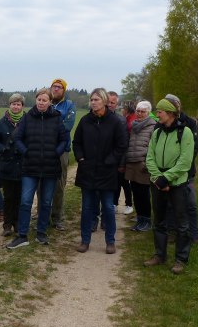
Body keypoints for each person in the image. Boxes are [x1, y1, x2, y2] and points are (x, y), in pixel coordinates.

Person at [7, 88, 70, 249]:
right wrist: (25, 152)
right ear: (36, 100)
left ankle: (41, 232)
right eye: (39, 100)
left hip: (50, 167)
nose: (41, 103)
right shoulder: (28, 118)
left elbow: (64, 140)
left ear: (50, 102)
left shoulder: (57, 118)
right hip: (30, 167)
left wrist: (56, 153)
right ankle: (22, 235)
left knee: (46, 202)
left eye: (45, 100)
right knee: (26, 201)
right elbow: (17, 138)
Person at [72, 88, 128, 254]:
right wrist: (81, 158)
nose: (93, 102)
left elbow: (122, 145)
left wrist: (110, 161)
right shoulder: (85, 121)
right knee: (87, 207)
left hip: (107, 172)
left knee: (109, 208)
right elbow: (76, 142)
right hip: (87, 171)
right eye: (92, 99)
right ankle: (85, 240)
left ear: (104, 101)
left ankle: (110, 241)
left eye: (96, 99)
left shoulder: (115, 122)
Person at [144, 97, 195, 275]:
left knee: (182, 223)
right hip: (158, 182)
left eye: (160, 111)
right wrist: (158, 178)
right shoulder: (157, 132)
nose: (157, 114)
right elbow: (149, 157)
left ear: (171, 113)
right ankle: (160, 255)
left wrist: (167, 178)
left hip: (177, 183)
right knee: (159, 220)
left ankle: (181, 259)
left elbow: (185, 161)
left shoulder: (185, 132)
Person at [164, 94, 198, 242]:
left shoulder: (189, 123)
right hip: (167, 171)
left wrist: (183, 166)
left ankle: (194, 234)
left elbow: (194, 147)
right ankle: (172, 231)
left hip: (186, 171)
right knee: (169, 204)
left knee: (191, 204)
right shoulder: (162, 124)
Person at [0, 93, 25, 237]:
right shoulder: (1, 123)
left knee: (19, 197)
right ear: (9, 105)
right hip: (7, 165)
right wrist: (3, 149)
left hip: (22, 165)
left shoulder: (27, 121)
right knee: (8, 197)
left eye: (18, 104)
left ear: (22, 106)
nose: (16, 106)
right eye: (13, 104)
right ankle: (7, 225)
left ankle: (17, 223)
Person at [124, 100, 157, 232]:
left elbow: (153, 147)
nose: (139, 113)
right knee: (136, 193)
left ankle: (147, 221)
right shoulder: (134, 126)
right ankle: (140, 218)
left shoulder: (153, 126)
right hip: (132, 163)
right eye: (138, 111)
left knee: (143, 194)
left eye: (143, 111)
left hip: (143, 164)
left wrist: (147, 163)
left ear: (148, 113)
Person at [48, 78, 76, 230]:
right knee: (42, 184)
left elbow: (67, 126)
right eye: (54, 86)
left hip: (61, 150)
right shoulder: (45, 102)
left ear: (64, 90)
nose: (56, 89)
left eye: (59, 87)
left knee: (59, 184)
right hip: (44, 150)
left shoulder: (69, 105)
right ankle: (43, 215)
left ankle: (57, 217)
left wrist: (48, 133)